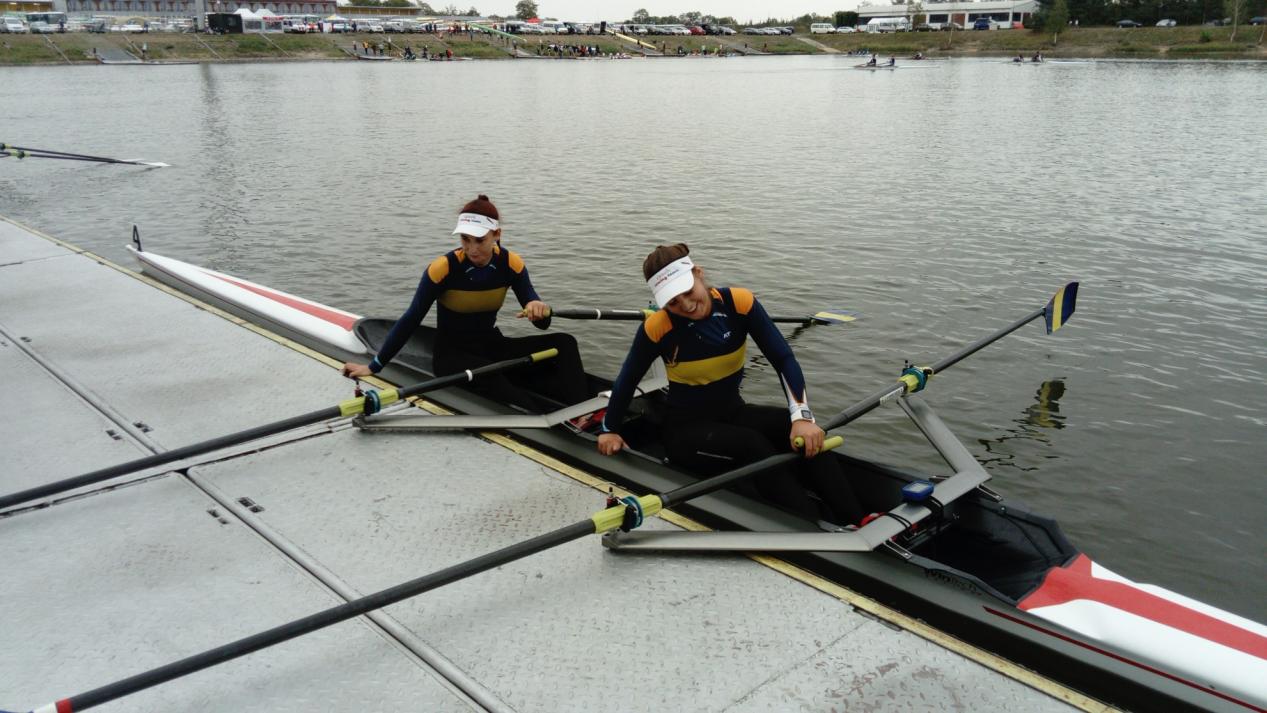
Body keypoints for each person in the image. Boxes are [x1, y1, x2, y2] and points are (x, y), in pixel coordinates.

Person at [595, 244, 864, 527]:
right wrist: (610, 429)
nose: (685, 305)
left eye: (688, 292)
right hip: (685, 432)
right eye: (673, 302)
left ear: (698, 274)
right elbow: (628, 379)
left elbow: (783, 358)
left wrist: (802, 417)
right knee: (752, 444)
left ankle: (858, 519)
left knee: (794, 425)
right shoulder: (657, 327)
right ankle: (811, 527)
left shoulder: (739, 303)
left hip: (732, 411)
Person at [341, 195, 590, 412]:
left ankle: (584, 410)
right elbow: (411, 319)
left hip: (491, 346)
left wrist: (538, 309)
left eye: (479, 240)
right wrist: (374, 366)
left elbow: (542, 325)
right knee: (496, 376)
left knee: (564, 343)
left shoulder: (511, 264)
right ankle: (543, 417)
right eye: (465, 239)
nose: (472, 249)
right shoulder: (443, 269)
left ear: (497, 234)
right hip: (451, 357)